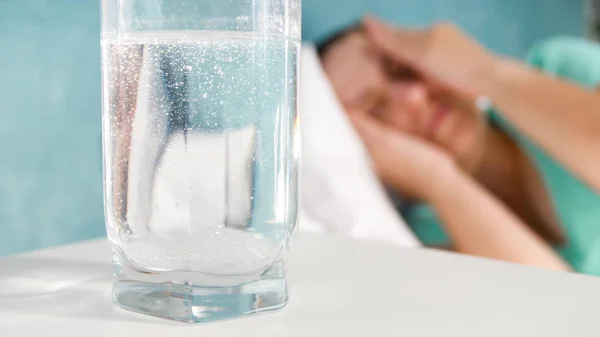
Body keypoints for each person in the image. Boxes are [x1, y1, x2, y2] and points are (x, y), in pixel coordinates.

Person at [322, 17, 600, 274]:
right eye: (377, 110)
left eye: (402, 69)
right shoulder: (433, 233)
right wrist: (437, 180)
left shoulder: (558, 73)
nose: (414, 96)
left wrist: (483, 71)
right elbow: (564, 307)